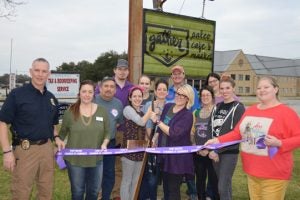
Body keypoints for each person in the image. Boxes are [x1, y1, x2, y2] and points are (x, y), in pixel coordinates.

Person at [205, 76, 300, 200]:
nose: (262, 90)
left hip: (274, 174)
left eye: (266, 87)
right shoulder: (251, 110)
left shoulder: (286, 112)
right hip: (252, 172)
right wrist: (217, 140)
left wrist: (280, 143)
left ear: (276, 89)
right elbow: (237, 132)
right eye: (259, 87)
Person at [0, 58, 63, 199]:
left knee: (46, 190)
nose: (40, 74)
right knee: (21, 191)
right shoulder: (17, 94)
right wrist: (6, 152)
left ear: (49, 74)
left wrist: (57, 138)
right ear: (30, 72)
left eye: (44, 71)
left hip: (47, 149)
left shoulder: (51, 98)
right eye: (37, 70)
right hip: (25, 150)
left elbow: (53, 124)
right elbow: (3, 123)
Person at [59, 80, 110, 200]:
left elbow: (108, 132)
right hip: (75, 161)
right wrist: (58, 143)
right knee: (77, 192)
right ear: (79, 93)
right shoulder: (70, 112)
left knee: (94, 191)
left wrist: (104, 143)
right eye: (84, 91)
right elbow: (62, 133)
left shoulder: (102, 111)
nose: (87, 94)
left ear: (94, 94)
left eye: (90, 92)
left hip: (96, 160)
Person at [151, 84, 195, 200]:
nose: (179, 96)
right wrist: (155, 138)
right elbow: (162, 129)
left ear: (188, 98)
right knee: (166, 189)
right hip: (164, 155)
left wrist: (158, 122)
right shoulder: (168, 106)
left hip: (177, 158)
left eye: (183, 95)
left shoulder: (187, 115)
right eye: (178, 93)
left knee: (173, 190)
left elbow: (174, 134)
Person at [207, 76, 245, 200]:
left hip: (229, 152)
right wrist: (211, 149)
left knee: (222, 187)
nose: (224, 91)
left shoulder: (238, 108)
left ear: (233, 89)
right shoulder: (217, 106)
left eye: (228, 88)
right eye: (222, 88)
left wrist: (217, 150)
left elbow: (236, 133)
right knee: (225, 185)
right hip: (214, 152)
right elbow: (211, 128)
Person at [165, 65, 199, 199]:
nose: (177, 76)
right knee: (170, 181)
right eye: (174, 74)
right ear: (172, 76)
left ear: (184, 75)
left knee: (184, 170)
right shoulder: (168, 92)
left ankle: (192, 192)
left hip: (184, 134)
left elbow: (194, 111)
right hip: (168, 139)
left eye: (179, 74)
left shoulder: (191, 91)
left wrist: (191, 131)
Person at [120, 86, 154, 200]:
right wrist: (150, 111)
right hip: (129, 152)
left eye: (139, 96)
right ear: (130, 98)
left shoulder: (142, 112)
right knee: (127, 181)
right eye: (134, 96)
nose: (137, 98)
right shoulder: (128, 109)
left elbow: (144, 129)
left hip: (140, 151)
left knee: (136, 182)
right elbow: (140, 122)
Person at [139, 79, 169, 200]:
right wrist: (150, 141)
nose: (161, 92)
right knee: (152, 177)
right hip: (152, 144)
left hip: (166, 144)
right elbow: (147, 125)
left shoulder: (171, 105)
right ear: (155, 91)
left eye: (164, 89)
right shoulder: (148, 105)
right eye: (159, 89)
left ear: (167, 92)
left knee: (166, 176)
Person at [94, 77, 123, 200]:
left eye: (112, 87)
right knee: (94, 173)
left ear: (115, 90)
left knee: (109, 174)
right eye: (106, 86)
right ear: (100, 88)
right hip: (93, 143)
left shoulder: (118, 104)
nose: (109, 89)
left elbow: (117, 123)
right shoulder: (93, 100)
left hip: (110, 144)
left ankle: (105, 197)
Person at [192, 86, 219, 200]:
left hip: (212, 153)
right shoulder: (196, 112)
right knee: (200, 181)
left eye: (207, 95)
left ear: (212, 96)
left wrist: (209, 150)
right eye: (203, 95)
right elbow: (192, 132)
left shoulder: (217, 111)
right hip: (198, 153)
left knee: (214, 181)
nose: (205, 97)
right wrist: (195, 147)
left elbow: (220, 133)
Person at [113, 58, 133, 200]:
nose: (122, 71)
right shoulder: (106, 85)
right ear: (115, 70)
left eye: (125, 69)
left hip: (125, 132)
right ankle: (104, 193)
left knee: (120, 166)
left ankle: (116, 195)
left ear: (128, 72)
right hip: (107, 131)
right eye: (119, 69)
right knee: (106, 164)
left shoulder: (131, 88)